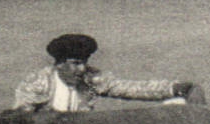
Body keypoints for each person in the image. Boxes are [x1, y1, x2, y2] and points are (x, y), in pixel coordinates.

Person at [13, 33, 191, 112]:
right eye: (75, 64)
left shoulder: (91, 78)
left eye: (83, 63)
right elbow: (21, 122)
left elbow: (129, 87)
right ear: (59, 64)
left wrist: (172, 88)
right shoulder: (37, 83)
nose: (81, 69)